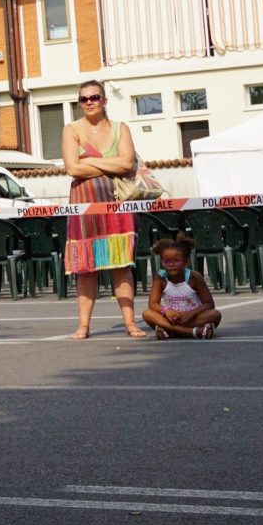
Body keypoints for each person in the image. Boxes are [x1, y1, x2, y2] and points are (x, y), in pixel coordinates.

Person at [62, 80, 146, 340]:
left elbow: (127, 164)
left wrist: (90, 161)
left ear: (104, 100)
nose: (89, 102)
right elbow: (72, 168)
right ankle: (84, 325)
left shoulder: (121, 128)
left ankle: (130, 323)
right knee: (86, 266)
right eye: (84, 99)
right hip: (84, 204)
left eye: (94, 97)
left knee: (121, 263)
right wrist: (111, 163)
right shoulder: (71, 130)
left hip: (116, 201)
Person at [142, 235, 221, 339]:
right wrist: (166, 311)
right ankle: (193, 332)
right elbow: (153, 304)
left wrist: (191, 314)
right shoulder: (160, 278)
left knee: (215, 314)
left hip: (192, 318)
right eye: (166, 261)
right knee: (147, 314)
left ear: (186, 261)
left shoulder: (194, 277)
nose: (171, 264)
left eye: (176, 260)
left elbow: (209, 304)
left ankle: (171, 330)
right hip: (172, 318)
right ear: (161, 261)